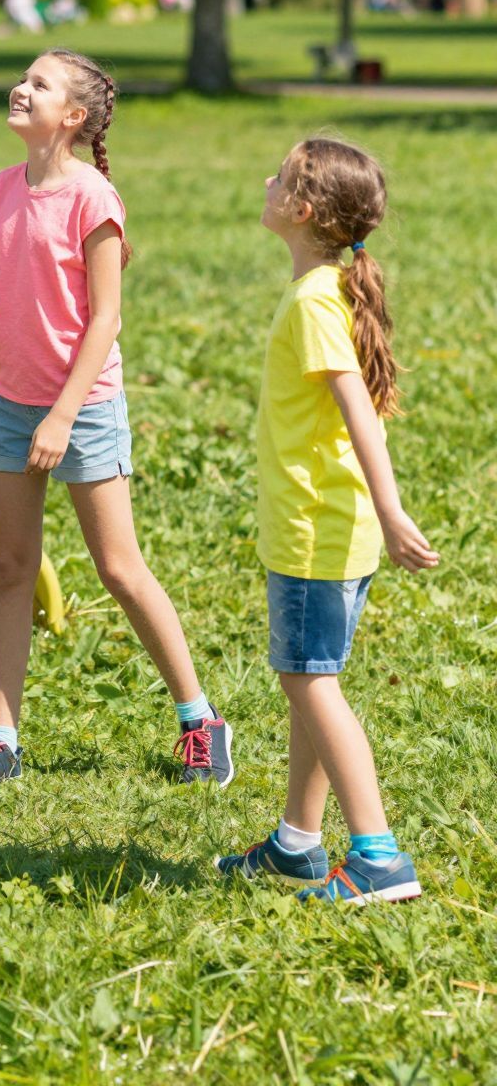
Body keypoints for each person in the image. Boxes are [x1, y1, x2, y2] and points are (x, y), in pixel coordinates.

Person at [0, 50, 234, 789]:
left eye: (39, 84)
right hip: (10, 405)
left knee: (118, 568)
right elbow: (3, 304)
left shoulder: (93, 199)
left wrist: (63, 416)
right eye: (24, 76)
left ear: (72, 117)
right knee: (10, 568)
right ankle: (0, 736)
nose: (21, 87)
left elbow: (105, 318)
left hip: (85, 406)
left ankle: (200, 720)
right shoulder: (2, 191)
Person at [217, 138, 437, 904]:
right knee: (314, 679)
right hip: (329, 527)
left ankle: (377, 855)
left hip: (318, 529)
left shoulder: (315, 300)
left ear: (302, 211)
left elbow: (357, 411)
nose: (265, 177)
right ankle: (298, 845)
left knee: (309, 682)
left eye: (278, 175)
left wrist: (391, 504)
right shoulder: (325, 286)